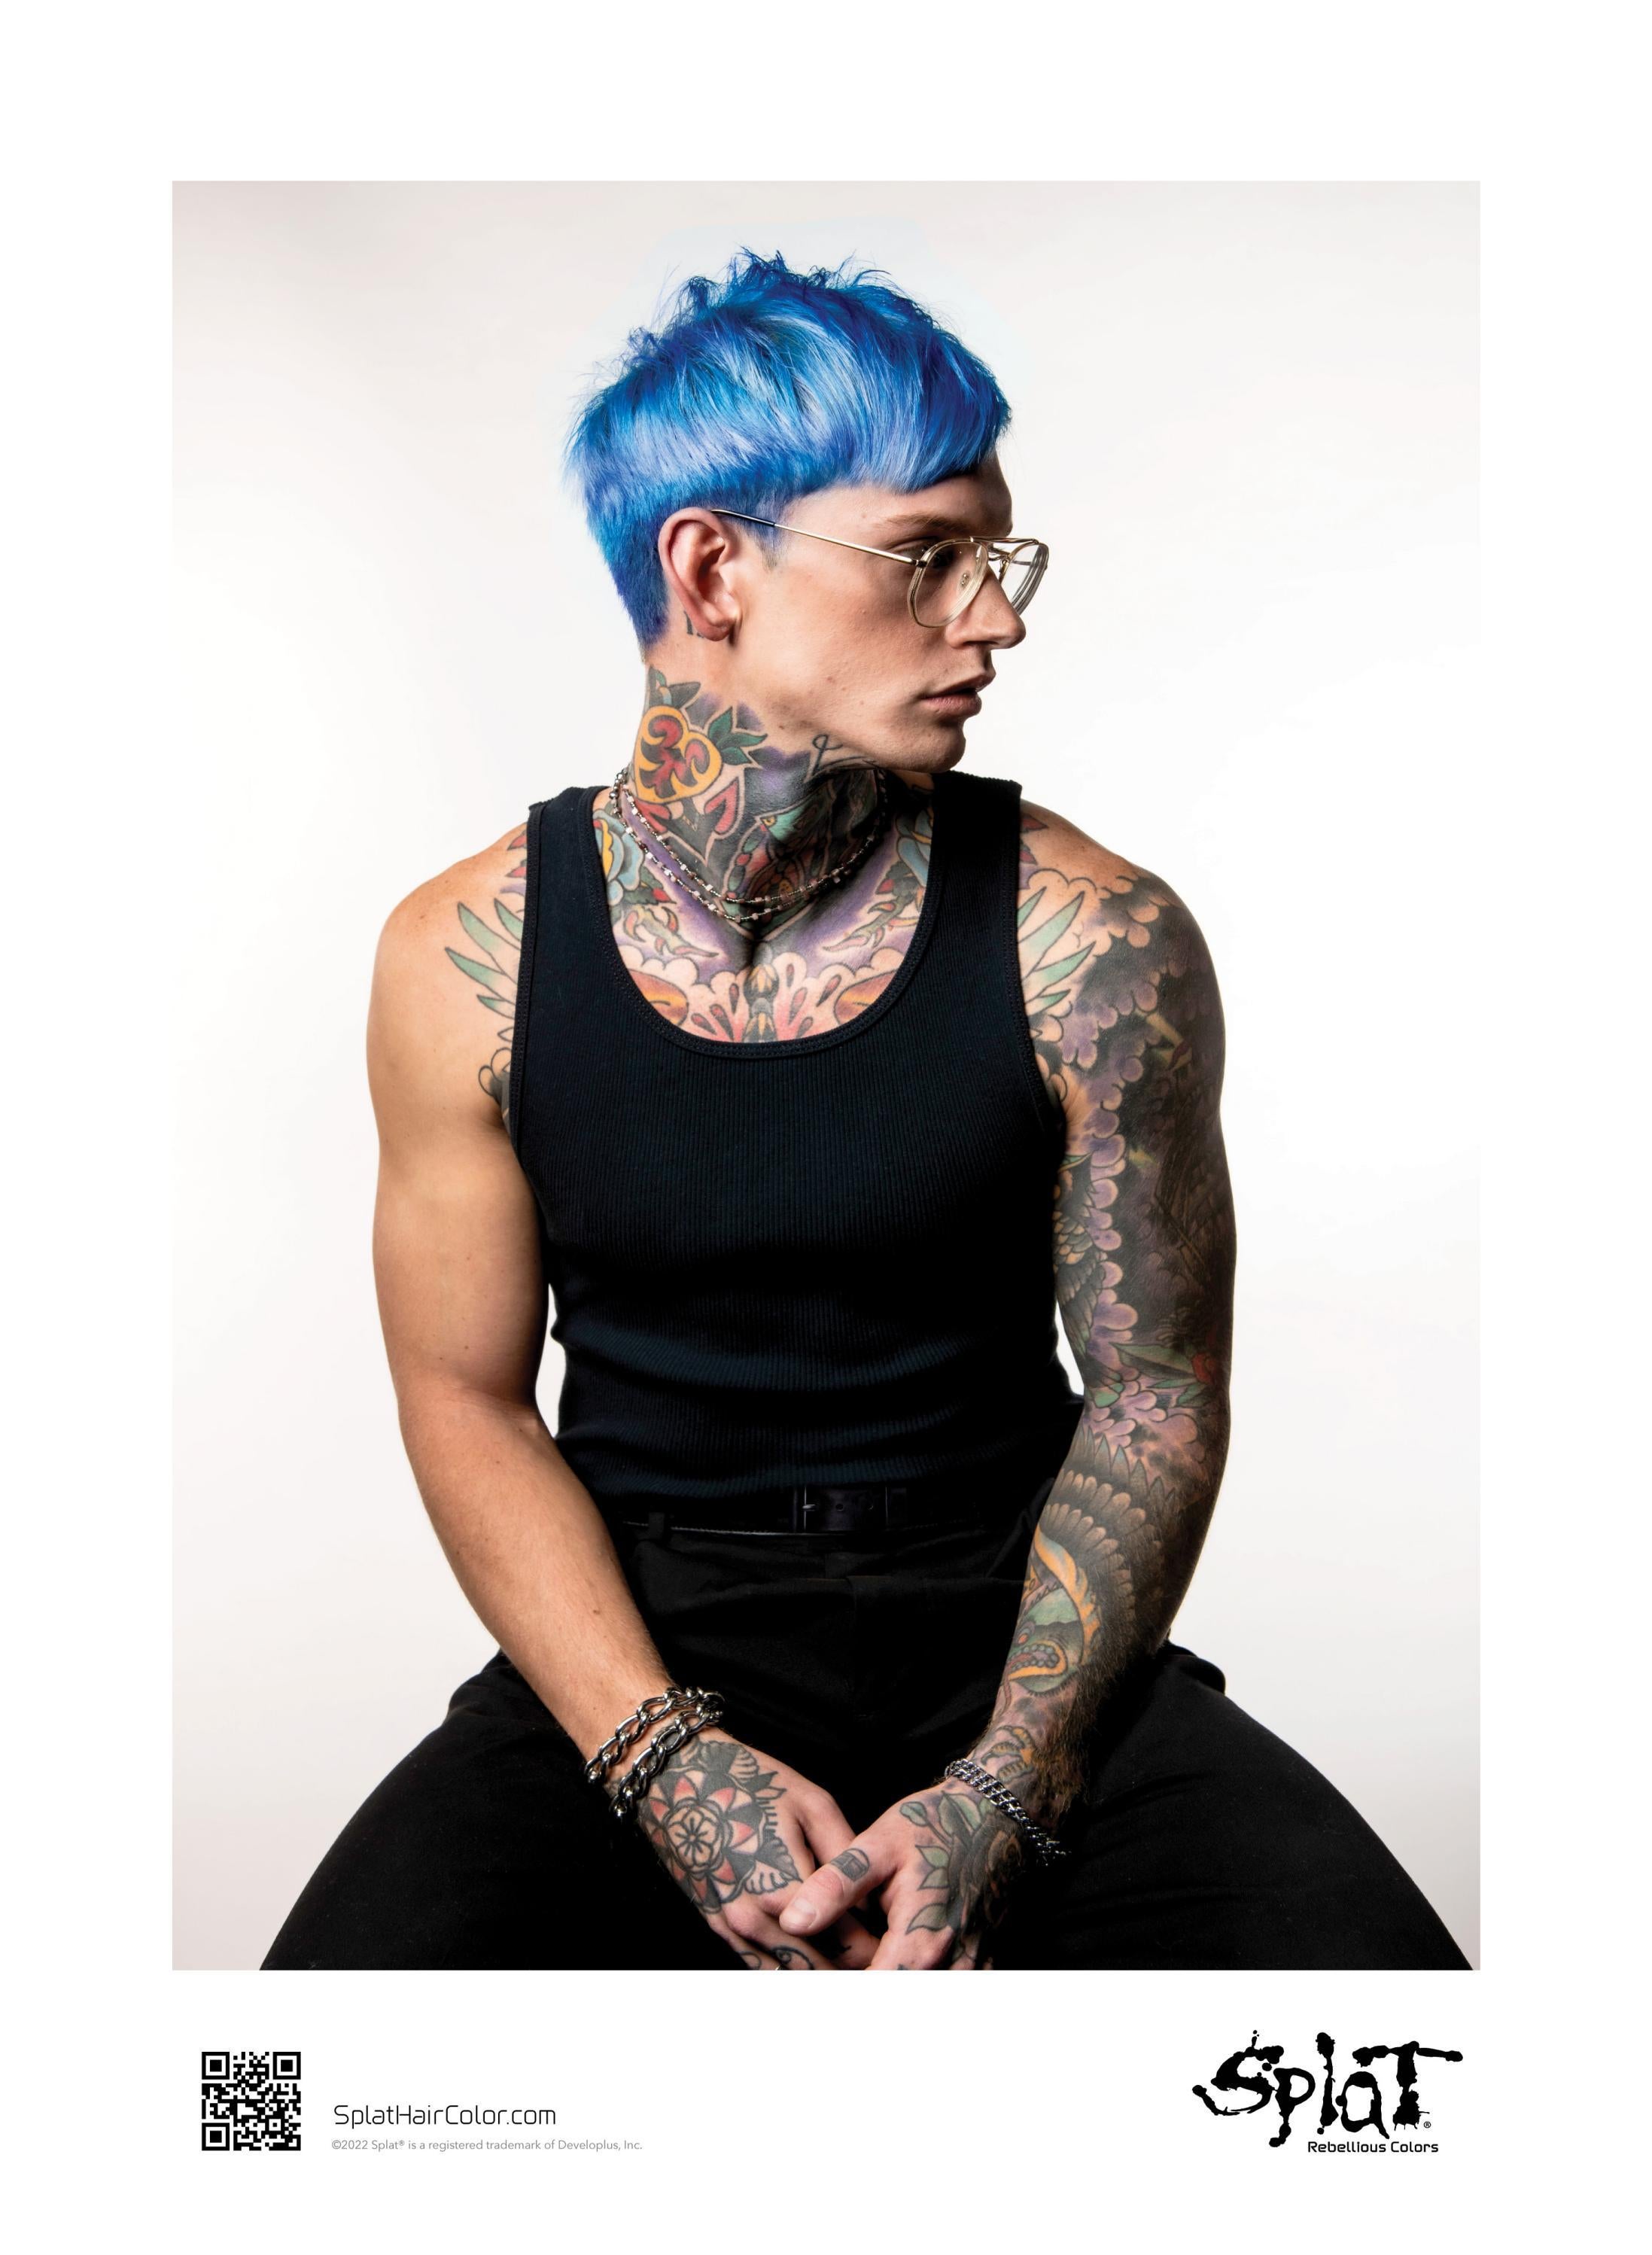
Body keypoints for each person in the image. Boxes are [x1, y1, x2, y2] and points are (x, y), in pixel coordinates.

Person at [262, 251, 1468, 1972]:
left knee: (1413, 2044)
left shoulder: (1092, 938)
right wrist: (663, 1761)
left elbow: (1155, 1387)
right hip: (639, 1643)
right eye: (929, 556)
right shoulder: (465, 958)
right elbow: (465, 1397)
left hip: (1022, 1639)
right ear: (713, 568)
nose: (998, 619)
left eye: (1001, 559)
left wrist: (1014, 1785)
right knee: (290, 2076)